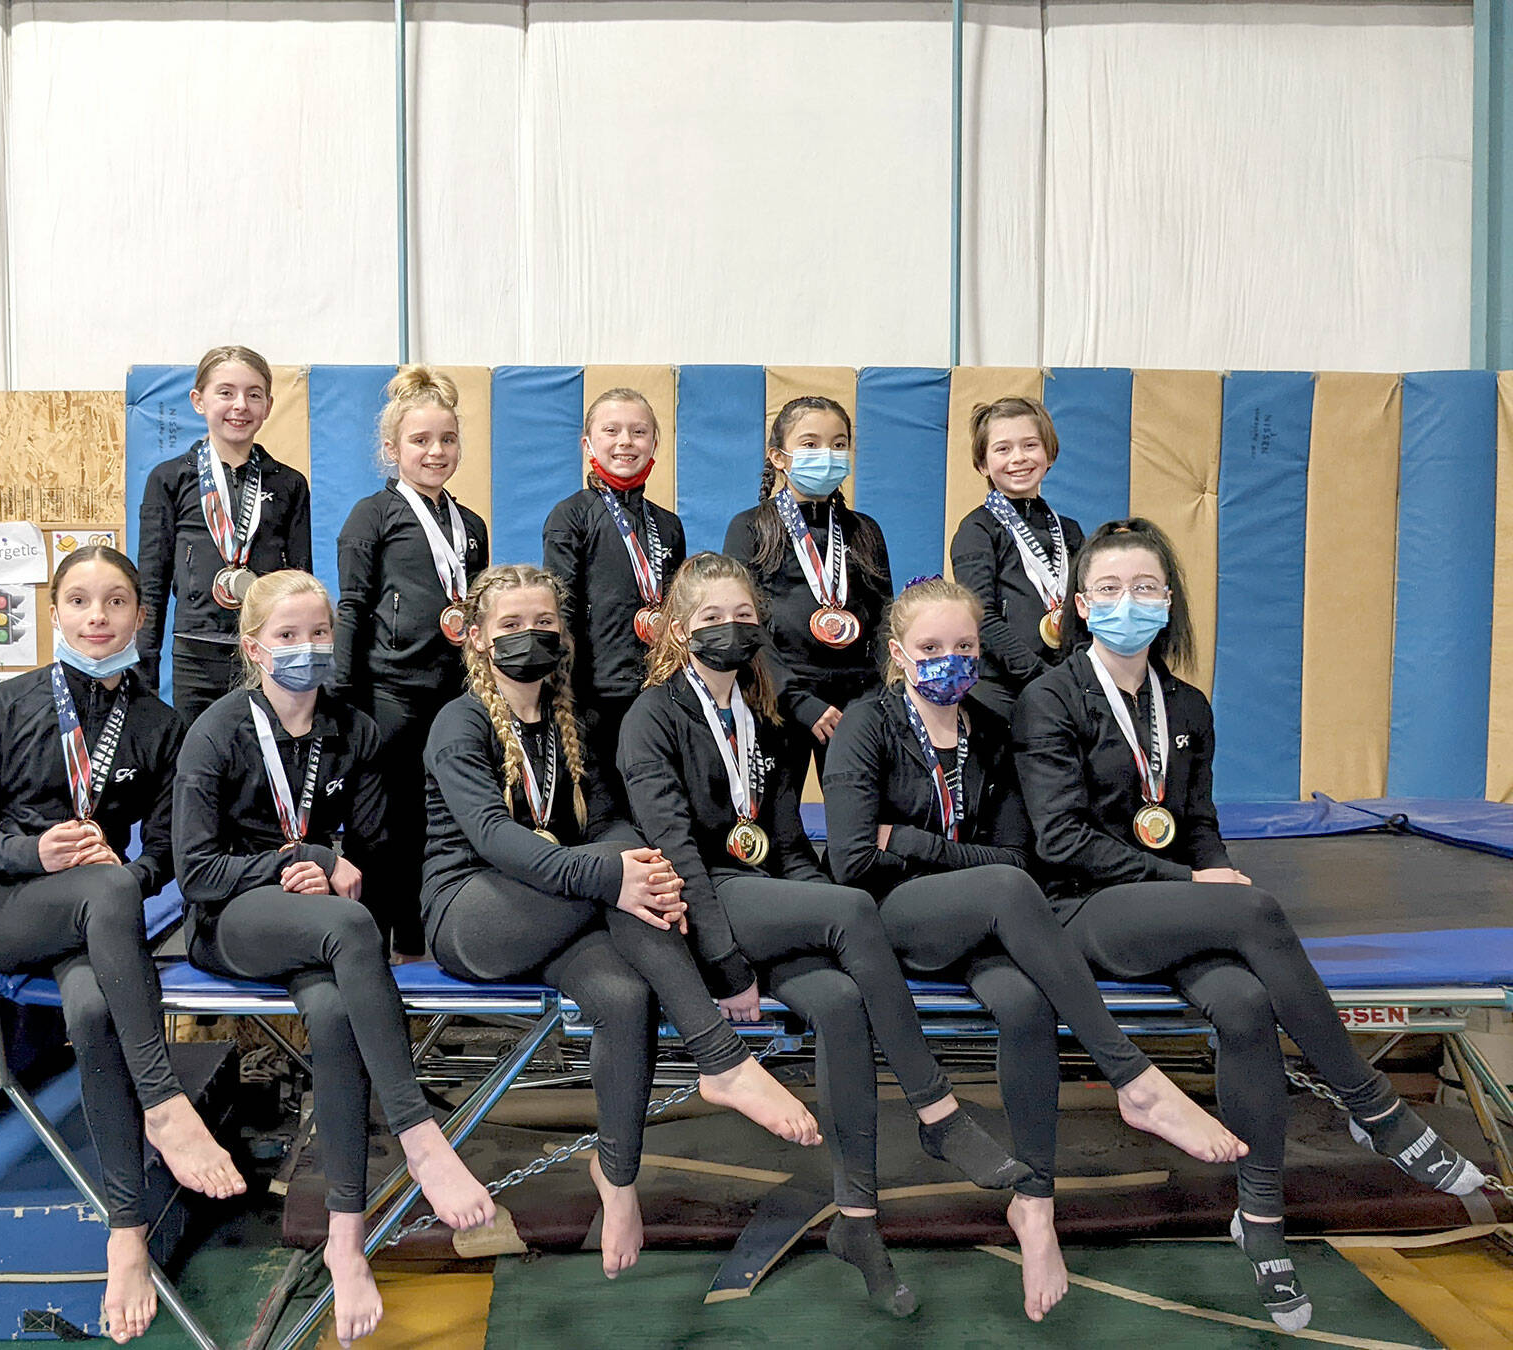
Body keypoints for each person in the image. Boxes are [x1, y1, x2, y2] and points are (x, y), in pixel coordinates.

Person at [1013, 518, 1486, 1332]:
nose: (1132, 603)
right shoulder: (1050, 698)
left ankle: (1260, 1217)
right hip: (1083, 911)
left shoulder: (1187, 705)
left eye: (1149, 588)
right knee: (1255, 908)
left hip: (1171, 906)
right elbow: (1060, 842)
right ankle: (1372, 1107)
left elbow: (1195, 823)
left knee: (1241, 1004)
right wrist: (1197, 885)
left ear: (1169, 602)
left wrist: (1204, 874)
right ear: (1084, 606)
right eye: (1114, 590)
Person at [619, 551, 1032, 1318]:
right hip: (703, 911)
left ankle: (859, 1222)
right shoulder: (653, 716)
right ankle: (938, 1111)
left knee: (842, 1000)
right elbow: (677, 856)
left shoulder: (767, 722)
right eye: (712, 619)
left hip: (764, 897)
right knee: (853, 909)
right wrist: (728, 964)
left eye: (745, 618)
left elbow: (788, 847)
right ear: (678, 631)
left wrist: (827, 913)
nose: (731, 630)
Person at [823, 573, 1245, 1321]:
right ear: (896, 654)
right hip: (897, 921)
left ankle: (1036, 1208)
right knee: (1010, 894)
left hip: (979, 919)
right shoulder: (868, 724)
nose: (948, 659)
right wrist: (953, 857)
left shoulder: (991, 724)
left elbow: (1018, 855)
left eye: (964, 646)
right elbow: (853, 861)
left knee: (1022, 1006)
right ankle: (1133, 1078)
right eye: (930, 648)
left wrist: (914, 843)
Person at [422, 563, 823, 1281]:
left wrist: (629, 866)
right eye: (510, 626)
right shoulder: (461, 722)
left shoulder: (572, 721)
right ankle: (722, 1059)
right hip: (472, 913)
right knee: (622, 866)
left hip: (559, 916)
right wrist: (612, 871)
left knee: (626, 996)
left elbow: (605, 817)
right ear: (477, 639)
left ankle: (619, 1179)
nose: (529, 636)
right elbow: (490, 835)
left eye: (543, 624)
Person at [171, 569, 493, 1346]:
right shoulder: (217, 730)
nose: (306, 649)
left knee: (333, 1011)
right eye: (287, 637)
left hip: (315, 924)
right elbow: (196, 871)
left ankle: (347, 1241)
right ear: (254, 647)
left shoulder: (354, 730)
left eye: (318, 634)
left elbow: (378, 851)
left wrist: (334, 864)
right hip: (232, 923)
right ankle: (421, 1139)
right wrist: (295, 858)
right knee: (350, 929)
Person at [0, 546, 243, 1344]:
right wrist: (28, 855)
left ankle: (126, 1235)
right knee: (102, 899)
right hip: (6, 908)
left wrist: (131, 874)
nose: (97, 618)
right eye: (79, 601)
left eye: (115, 602)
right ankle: (165, 1104)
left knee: (91, 1007)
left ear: (141, 617)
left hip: (95, 917)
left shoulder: (161, 725)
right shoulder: (4, 705)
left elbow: (171, 852)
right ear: (55, 613)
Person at [333, 366, 490, 957]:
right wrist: (342, 700)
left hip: (451, 697)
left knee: (439, 822)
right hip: (388, 696)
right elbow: (351, 606)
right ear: (392, 447)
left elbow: (476, 615)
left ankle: (426, 938)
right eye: (421, 440)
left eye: (447, 440)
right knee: (382, 827)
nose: (435, 451)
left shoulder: (469, 526)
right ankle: (374, 945)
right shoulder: (372, 515)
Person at [136, 345, 312, 727]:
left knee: (265, 761)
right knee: (200, 762)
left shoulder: (290, 484)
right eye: (226, 392)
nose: (240, 405)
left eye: (253, 394)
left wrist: (299, 659)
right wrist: (142, 674)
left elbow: (301, 584)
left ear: (268, 405)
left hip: (266, 654)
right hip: (196, 658)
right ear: (199, 401)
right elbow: (151, 585)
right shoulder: (169, 480)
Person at [723, 396, 892, 790]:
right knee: (779, 828)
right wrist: (796, 700)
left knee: (856, 820)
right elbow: (743, 625)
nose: (827, 455)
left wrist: (874, 701)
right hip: (779, 700)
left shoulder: (865, 530)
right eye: (811, 444)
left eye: (838, 444)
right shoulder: (749, 528)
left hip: (856, 703)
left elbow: (886, 618)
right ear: (779, 457)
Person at [543, 387, 686, 811]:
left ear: (654, 443)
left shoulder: (669, 525)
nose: (626, 441)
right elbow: (560, 612)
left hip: (656, 690)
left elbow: (674, 609)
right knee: (603, 806)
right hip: (593, 695)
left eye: (639, 431)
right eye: (612, 430)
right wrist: (564, 688)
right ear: (588, 443)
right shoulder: (570, 516)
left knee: (654, 799)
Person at [949, 397, 1087, 721]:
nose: (1019, 458)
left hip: (1064, 686)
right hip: (1000, 696)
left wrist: (1077, 675)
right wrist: (1039, 676)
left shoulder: (1069, 530)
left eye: (1030, 445)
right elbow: (981, 617)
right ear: (982, 464)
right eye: (1003, 449)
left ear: (1049, 454)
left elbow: (1086, 606)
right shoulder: (977, 529)